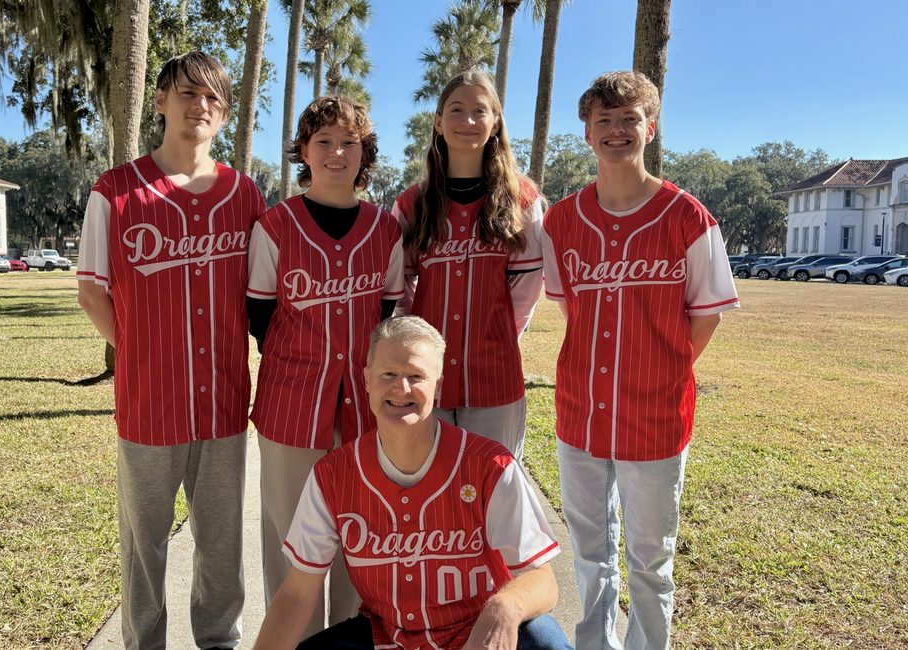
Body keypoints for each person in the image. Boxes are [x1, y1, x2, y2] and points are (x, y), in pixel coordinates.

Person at [541, 71, 740, 650]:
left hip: (654, 415)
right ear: (587, 134)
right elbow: (569, 309)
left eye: (628, 118)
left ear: (649, 128)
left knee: (651, 562)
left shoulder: (688, 217)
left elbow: (706, 315)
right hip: (579, 412)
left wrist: (661, 367)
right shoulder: (561, 221)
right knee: (590, 555)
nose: (616, 130)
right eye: (603, 120)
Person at [77, 51, 265, 650]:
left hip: (223, 401)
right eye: (187, 93)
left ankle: (219, 642)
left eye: (213, 97)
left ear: (225, 112)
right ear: (160, 101)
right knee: (142, 544)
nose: (199, 106)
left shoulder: (246, 195)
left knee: (221, 541)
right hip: (148, 404)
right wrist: (139, 352)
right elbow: (90, 292)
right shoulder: (115, 191)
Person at [252, 316, 572, 650]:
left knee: (543, 639)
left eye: (416, 376)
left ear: (438, 384)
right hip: (385, 636)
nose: (401, 388)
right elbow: (297, 593)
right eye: (388, 374)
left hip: (475, 634)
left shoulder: (489, 466)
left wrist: (504, 606)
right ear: (367, 381)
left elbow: (543, 580)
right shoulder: (333, 475)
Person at [246, 95, 404, 639]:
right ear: (304, 152)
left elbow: (389, 314)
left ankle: (350, 640)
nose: (337, 152)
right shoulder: (274, 225)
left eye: (349, 142)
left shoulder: (386, 231)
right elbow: (260, 315)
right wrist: (306, 363)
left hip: (365, 409)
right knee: (292, 541)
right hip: (292, 405)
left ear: (365, 153)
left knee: (359, 540)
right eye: (324, 142)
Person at [392, 70, 544, 460]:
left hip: (495, 377)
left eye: (480, 110)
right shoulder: (413, 203)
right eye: (456, 110)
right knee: (432, 488)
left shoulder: (522, 199)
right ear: (438, 122)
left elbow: (525, 292)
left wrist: (494, 339)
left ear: (495, 123)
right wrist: (416, 347)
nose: (468, 121)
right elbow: (400, 290)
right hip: (427, 378)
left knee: (493, 488)